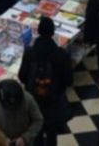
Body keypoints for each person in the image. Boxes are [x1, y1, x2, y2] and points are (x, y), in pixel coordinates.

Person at [19, 16, 74, 146]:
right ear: (53, 33)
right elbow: (68, 80)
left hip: (34, 100)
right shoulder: (61, 54)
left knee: (36, 129)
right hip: (53, 101)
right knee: (51, 132)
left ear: (38, 31)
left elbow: (22, 76)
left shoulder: (30, 52)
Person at [0, 80, 43, 146]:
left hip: (24, 143)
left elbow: (38, 120)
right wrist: (1, 139)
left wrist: (25, 138)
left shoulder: (28, 99)